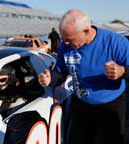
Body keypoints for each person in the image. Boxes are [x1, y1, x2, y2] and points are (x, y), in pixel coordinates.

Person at [38, 9, 129, 144]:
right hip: (82, 102)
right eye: (63, 38)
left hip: (111, 103)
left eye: (69, 39)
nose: (65, 44)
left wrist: (123, 71)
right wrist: (50, 78)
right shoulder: (65, 45)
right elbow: (61, 72)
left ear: (86, 31)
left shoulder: (117, 43)